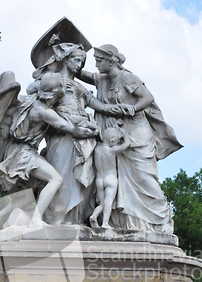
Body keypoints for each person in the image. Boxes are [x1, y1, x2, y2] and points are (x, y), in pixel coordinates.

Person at [78, 44, 183, 232]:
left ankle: (161, 220)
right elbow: (79, 73)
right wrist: (63, 51)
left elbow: (148, 97)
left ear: (111, 60)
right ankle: (127, 223)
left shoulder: (127, 77)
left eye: (99, 61)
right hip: (117, 136)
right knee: (119, 179)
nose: (96, 65)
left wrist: (133, 108)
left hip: (137, 133)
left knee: (144, 177)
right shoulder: (102, 80)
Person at [0, 72, 98, 231]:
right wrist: (95, 132)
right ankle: (35, 220)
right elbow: (71, 129)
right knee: (55, 179)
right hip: (24, 153)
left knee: (31, 190)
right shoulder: (44, 111)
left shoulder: (28, 100)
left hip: (16, 149)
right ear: (57, 92)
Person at [29, 42, 125, 226]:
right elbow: (32, 91)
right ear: (65, 59)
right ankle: (55, 222)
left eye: (82, 61)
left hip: (85, 139)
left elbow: (102, 106)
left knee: (82, 184)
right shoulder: (54, 81)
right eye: (76, 59)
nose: (79, 65)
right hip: (63, 138)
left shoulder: (79, 87)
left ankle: (76, 221)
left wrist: (125, 107)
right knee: (62, 180)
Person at [90, 127, 130, 229]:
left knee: (102, 203)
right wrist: (124, 134)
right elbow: (127, 144)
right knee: (108, 201)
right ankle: (105, 223)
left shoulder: (97, 150)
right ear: (112, 141)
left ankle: (94, 215)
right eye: (117, 142)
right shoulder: (112, 150)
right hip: (110, 179)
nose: (117, 144)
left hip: (99, 180)